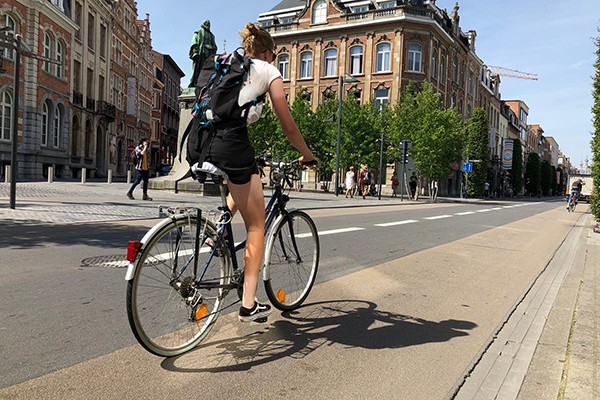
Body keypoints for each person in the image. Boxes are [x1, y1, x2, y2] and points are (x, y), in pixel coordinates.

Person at [200, 23, 316, 322]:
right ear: (267, 51)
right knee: (257, 226)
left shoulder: (228, 65)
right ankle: (249, 304)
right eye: (275, 54)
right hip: (232, 144)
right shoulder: (268, 71)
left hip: (203, 141)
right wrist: (306, 154)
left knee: (249, 179)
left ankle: (218, 229)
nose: (274, 59)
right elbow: (288, 125)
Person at [188, 20, 217, 89]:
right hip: (201, 54)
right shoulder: (199, 32)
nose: (207, 25)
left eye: (209, 24)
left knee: (208, 71)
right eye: (206, 23)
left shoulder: (211, 35)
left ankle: (206, 84)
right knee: (198, 69)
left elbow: (214, 46)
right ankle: (196, 83)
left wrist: (212, 48)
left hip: (209, 56)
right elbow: (194, 41)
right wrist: (195, 51)